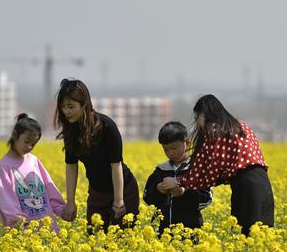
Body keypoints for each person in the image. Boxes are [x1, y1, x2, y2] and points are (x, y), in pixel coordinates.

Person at [158, 95, 274, 236]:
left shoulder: (214, 130)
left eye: (197, 118)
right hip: (263, 184)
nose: (197, 122)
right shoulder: (240, 126)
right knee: (263, 235)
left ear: (204, 114)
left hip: (245, 188)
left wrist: (177, 181)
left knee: (246, 235)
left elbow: (204, 174)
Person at [54, 78, 140, 232]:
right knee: (94, 240)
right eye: (63, 107)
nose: (66, 112)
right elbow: (71, 166)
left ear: (84, 105)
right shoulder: (71, 132)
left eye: (71, 106)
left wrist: (119, 201)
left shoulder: (107, 127)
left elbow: (116, 165)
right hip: (97, 192)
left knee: (121, 241)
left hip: (123, 190)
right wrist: (70, 202)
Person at [0, 113, 66, 232]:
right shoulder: (5, 165)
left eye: (33, 144)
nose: (29, 147)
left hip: (47, 227)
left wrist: (62, 210)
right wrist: (18, 221)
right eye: (27, 141)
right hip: (25, 231)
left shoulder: (33, 160)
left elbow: (49, 188)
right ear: (15, 135)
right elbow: (7, 198)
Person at [143, 121, 213, 237]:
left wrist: (183, 193)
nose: (170, 153)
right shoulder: (161, 170)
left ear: (187, 143)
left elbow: (206, 199)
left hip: (190, 233)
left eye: (174, 148)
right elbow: (147, 198)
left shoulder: (196, 169)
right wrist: (158, 190)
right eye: (166, 149)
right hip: (163, 234)